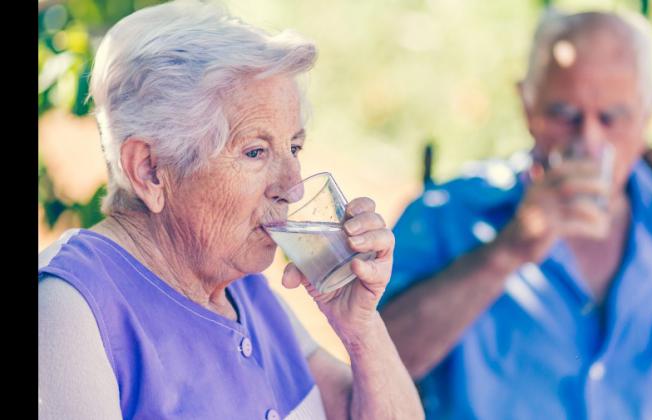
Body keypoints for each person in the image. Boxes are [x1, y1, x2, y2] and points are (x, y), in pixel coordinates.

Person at [38, 1, 424, 419]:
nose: (293, 188)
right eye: (255, 151)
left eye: (294, 147)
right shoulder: (70, 310)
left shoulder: (242, 288)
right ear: (149, 170)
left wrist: (361, 330)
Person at [379, 9, 652, 419]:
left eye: (612, 118)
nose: (589, 141)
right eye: (564, 115)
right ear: (528, 106)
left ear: (649, 114)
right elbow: (374, 373)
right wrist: (508, 250)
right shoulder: (446, 216)